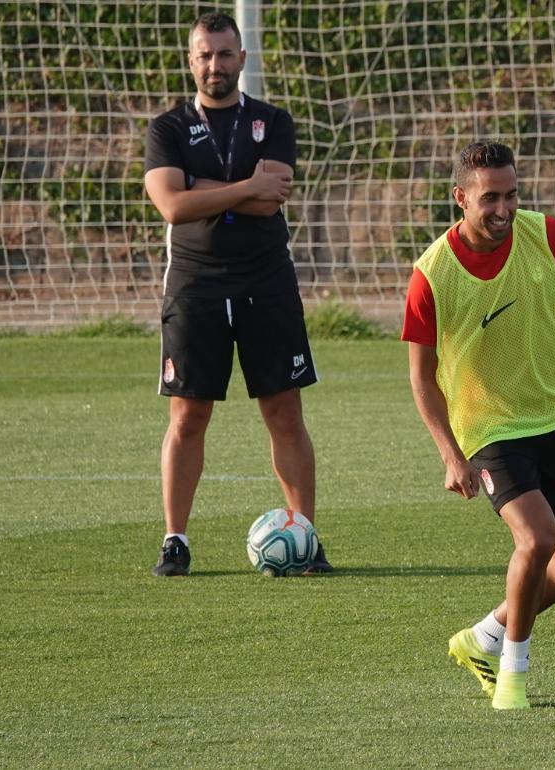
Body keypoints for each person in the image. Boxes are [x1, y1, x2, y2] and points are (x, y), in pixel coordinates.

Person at [403, 140, 555, 709]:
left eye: (511, 194)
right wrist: (450, 455)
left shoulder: (548, 236)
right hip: (487, 428)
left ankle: (482, 637)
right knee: (537, 538)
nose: (503, 209)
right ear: (460, 199)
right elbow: (422, 379)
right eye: (490, 198)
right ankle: (513, 671)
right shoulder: (431, 274)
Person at [143, 11, 330, 577]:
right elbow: (172, 205)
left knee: (283, 410)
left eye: (225, 54)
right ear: (191, 59)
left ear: (242, 59)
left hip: (265, 280)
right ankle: (175, 539)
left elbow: (272, 201)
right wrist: (246, 185)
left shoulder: (273, 121)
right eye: (204, 54)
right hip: (195, 284)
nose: (215, 65)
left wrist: (202, 186)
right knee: (189, 415)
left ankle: (305, 537)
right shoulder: (167, 129)